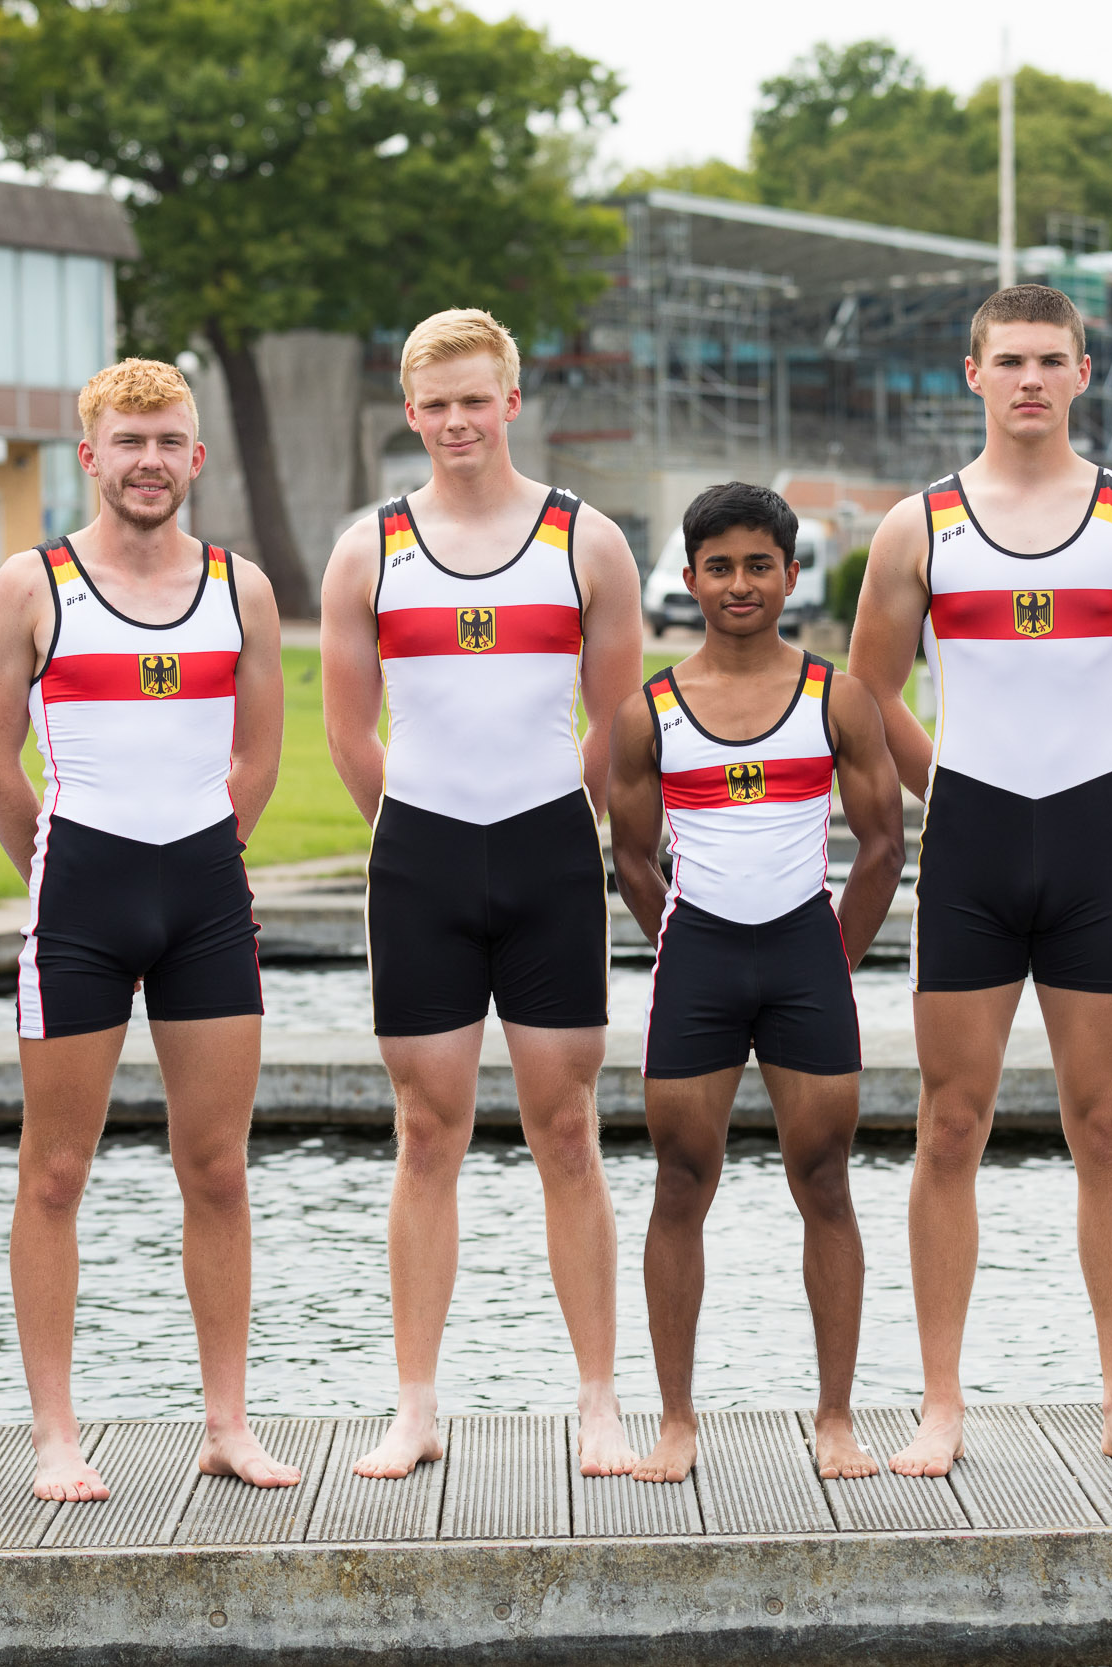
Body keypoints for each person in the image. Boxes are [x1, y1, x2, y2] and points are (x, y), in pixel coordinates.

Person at [848, 284, 1112, 1478]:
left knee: (1104, 1121)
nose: (1030, 380)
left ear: (1083, 373)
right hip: (972, 844)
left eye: (1050, 360)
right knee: (950, 1123)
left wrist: (1104, 787)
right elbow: (869, 691)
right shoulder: (920, 525)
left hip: (1092, 845)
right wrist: (944, 789)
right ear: (973, 373)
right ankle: (940, 1402)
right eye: (1009, 360)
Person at [320, 308, 644, 1479]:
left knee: (567, 1127)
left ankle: (598, 1398)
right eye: (435, 403)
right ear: (412, 414)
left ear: (512, 402)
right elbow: (350, 727)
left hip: (550, 853)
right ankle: (415, 1403)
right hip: (422, 861)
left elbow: (616, 720)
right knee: (426, 1130)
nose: (457, 421)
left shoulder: (585, 542)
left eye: (476, 399)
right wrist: (410, 830)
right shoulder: (370, 548)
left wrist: (564, 826)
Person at [0, 359, 296, 1499]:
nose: (149, 460)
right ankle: (56, 1432)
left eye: (168, 440)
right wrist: (62, 868)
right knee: (55, 1170)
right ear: (89, 456)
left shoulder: (237, 586)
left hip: (206, 900)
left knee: (216, 1167)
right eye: (128, 441)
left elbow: (258, 752)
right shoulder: (31, 585)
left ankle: (226, 1422)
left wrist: (208, 850)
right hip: (82, 903)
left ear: (195, 458)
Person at [607, 483, 905, 1484]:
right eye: (719, 566)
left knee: (822, 1179)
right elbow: (634, 859)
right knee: (680, 1182)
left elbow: (880, 846)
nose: (739, 583)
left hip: (801, 960)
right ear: (690, 578)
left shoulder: (836, 698)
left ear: (788, 573)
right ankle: (677, 1423)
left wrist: (828, 957)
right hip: (698, 961)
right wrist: (682, 946)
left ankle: (834, 1419)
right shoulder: (648, 710)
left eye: (758, 564)